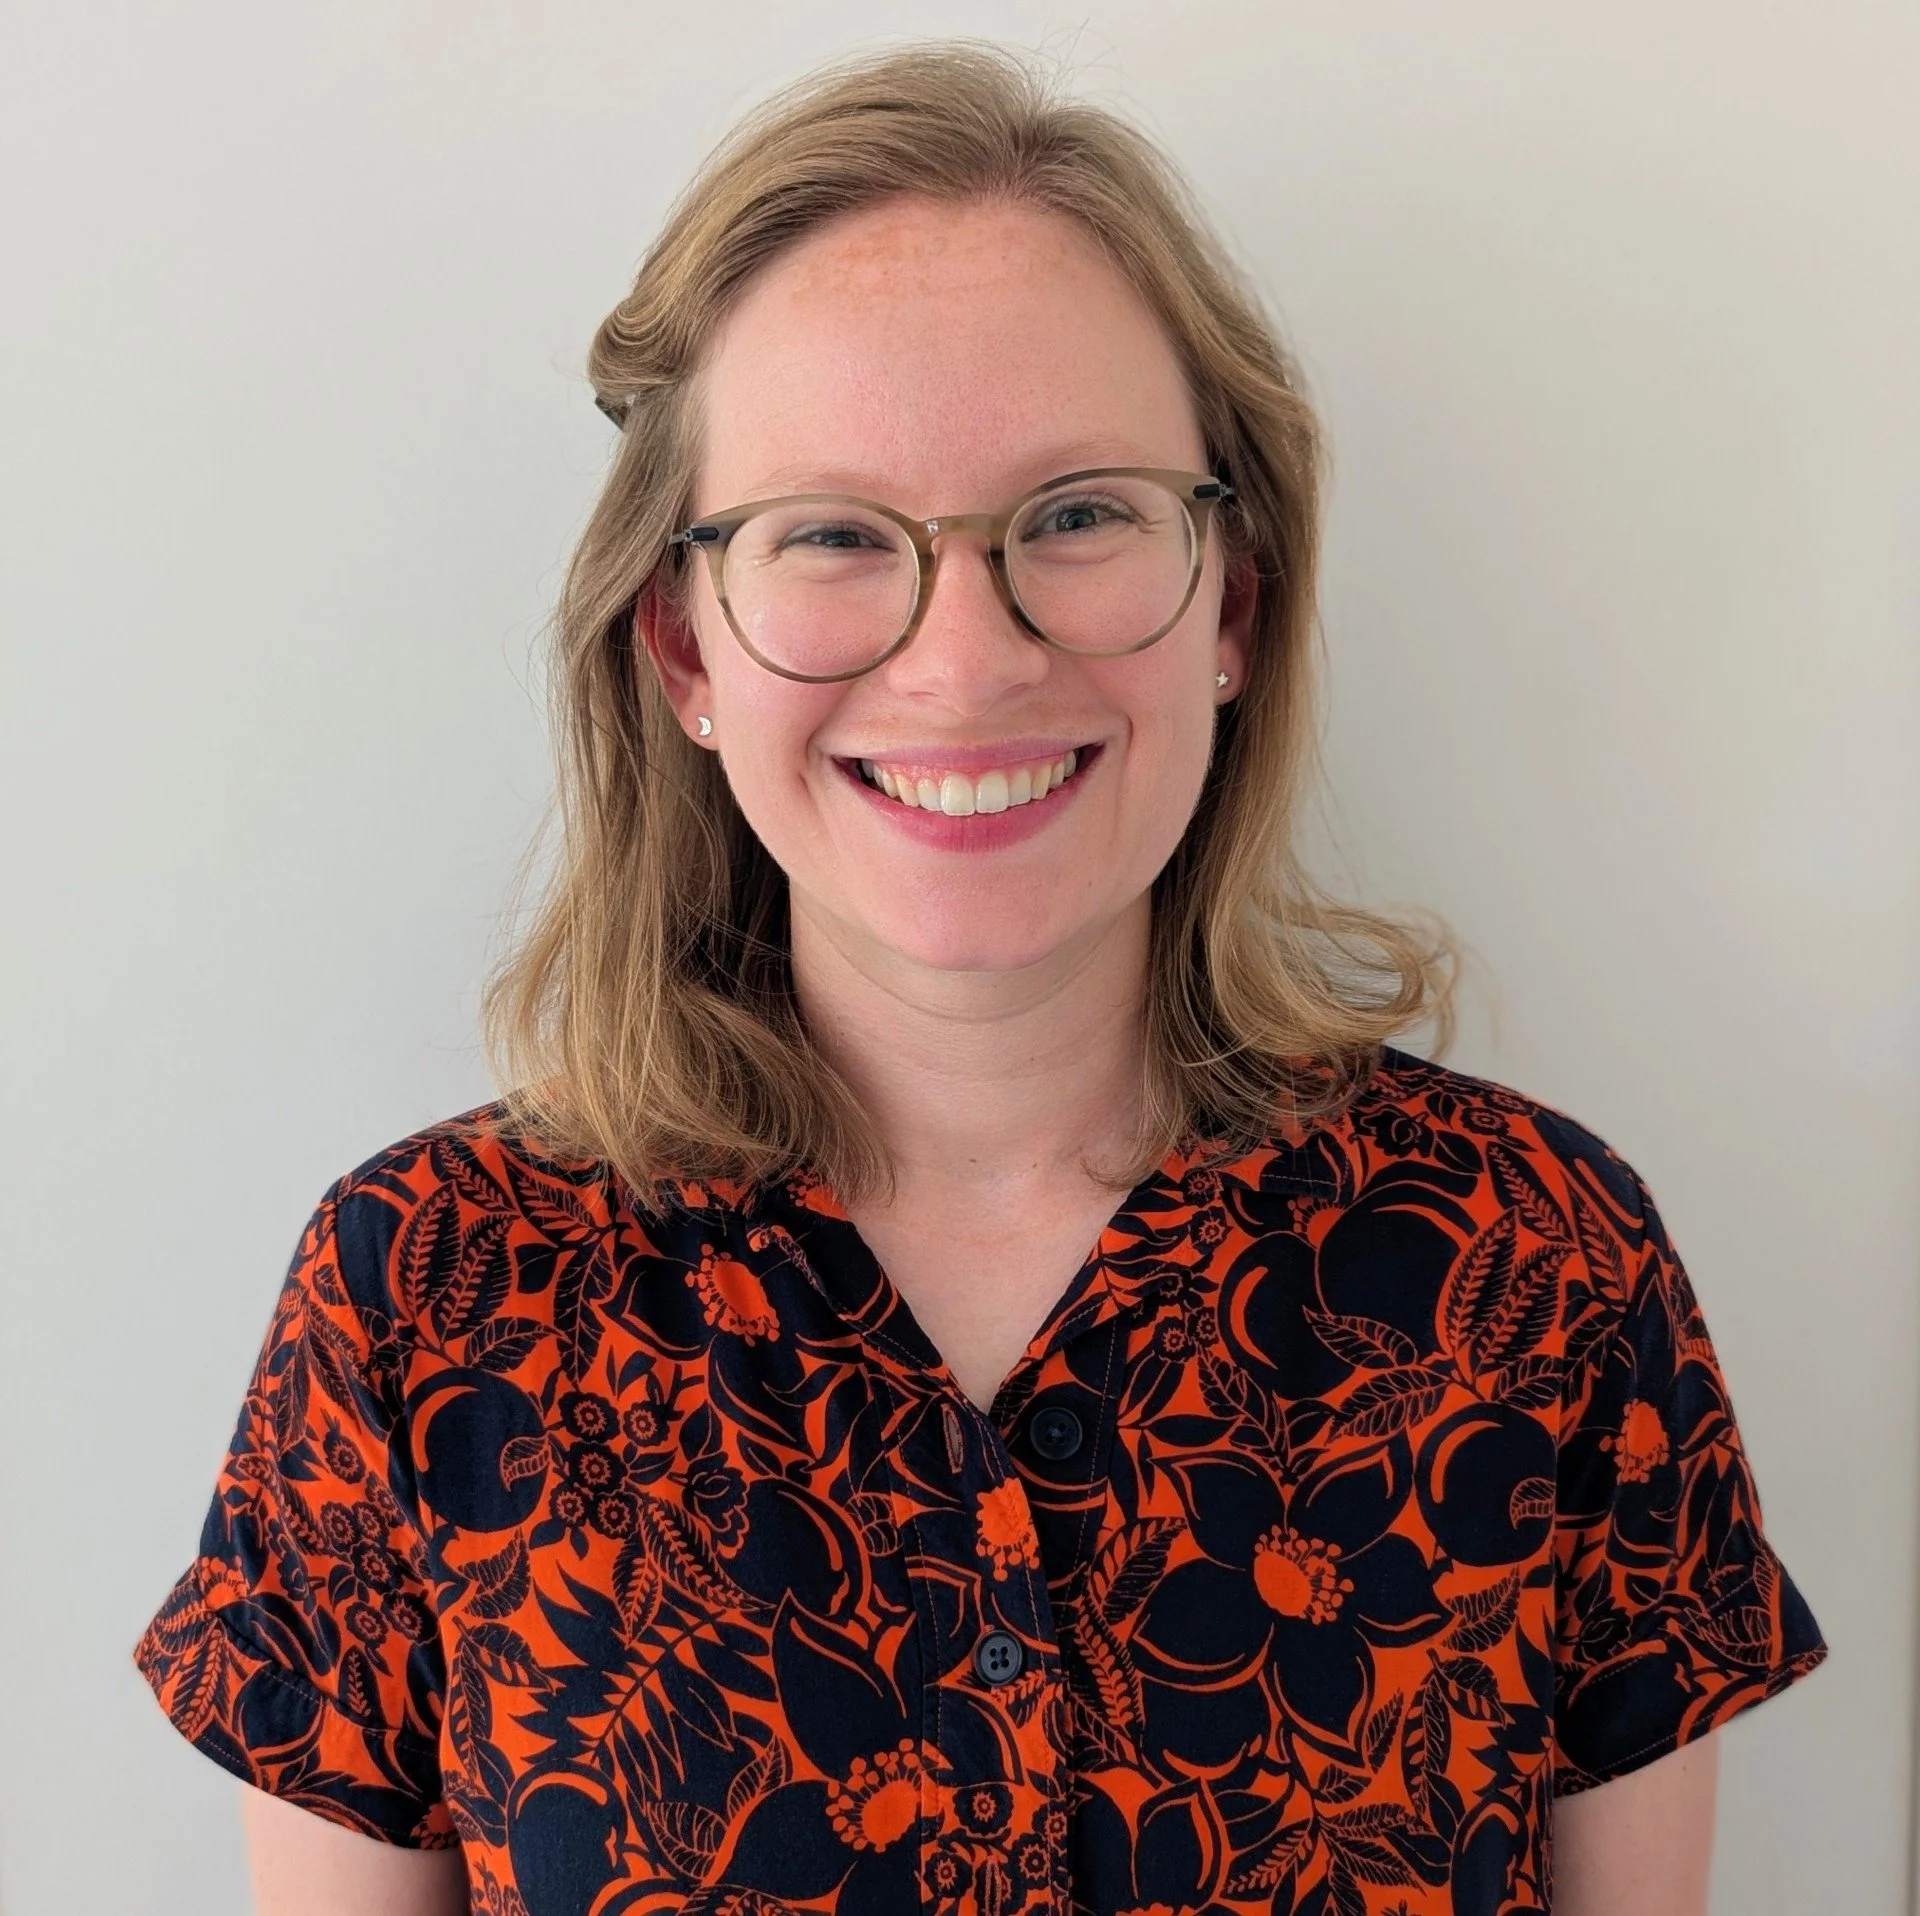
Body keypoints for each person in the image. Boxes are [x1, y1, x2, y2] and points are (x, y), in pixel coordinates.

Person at [135, 41, 1826, 1916]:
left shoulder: (1538, 1265)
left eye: (1080, 515)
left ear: (1233, 607)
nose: (965, 662)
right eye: (837, 537)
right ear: (686, 652)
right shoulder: (419, 1300)